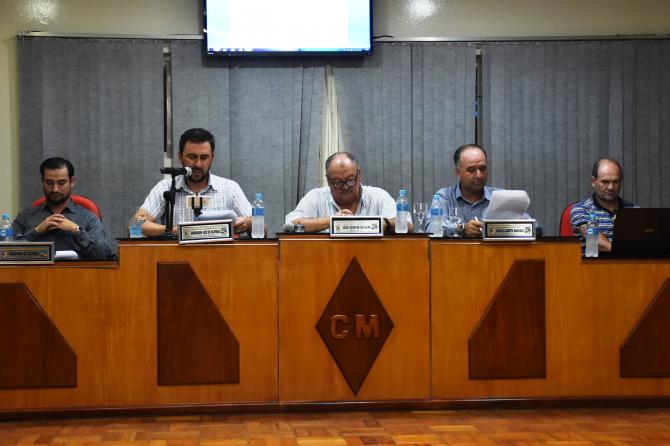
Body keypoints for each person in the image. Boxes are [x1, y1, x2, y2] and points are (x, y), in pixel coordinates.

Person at [135, 128, 253, 236]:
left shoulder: (230, 188)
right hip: (178, 252)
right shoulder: (165, 187)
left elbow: (259, 225)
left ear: (212, 158)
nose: (198, 164)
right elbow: (136, 224)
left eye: (204, 157)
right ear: (180, 156)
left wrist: (248, 223)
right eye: (192, 157)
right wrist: (173, 231)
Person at [285, 152, 412, 233]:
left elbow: (407, 225)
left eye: (350, 180)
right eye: (337, 182)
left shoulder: (378, 197)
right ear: (328, 180)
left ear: (359, 174)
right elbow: (291, 224)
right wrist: (333, 221)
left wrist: (378, 224)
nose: (345, 187)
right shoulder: (315, 197)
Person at [12, 157, 113, 259]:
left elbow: (103, 254)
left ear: (71, 182)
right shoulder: (25, 217)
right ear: (42, 182)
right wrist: (36, 231)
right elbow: (6, 251)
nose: (55, 189)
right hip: (36, 269)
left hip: (77, 269)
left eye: (61, 183)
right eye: (49, 183)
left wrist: (77, 230)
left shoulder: (89, 218)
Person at [426, 144, 536, 237]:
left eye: (483, 169)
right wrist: (461, 229)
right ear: (458, 172)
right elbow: (431, 228)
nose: (479, 175)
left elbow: (533, 227)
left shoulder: (501, 197)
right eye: (471, 170)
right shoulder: (444, 196)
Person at [570, 158, 636, 253]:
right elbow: (593, 240)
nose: (611, 187)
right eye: (605, 182)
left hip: (630, 262)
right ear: (593, 181)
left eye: (616, 182)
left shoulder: (634, 211)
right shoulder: (582, 209)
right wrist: (627, 251)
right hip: (594, 262)